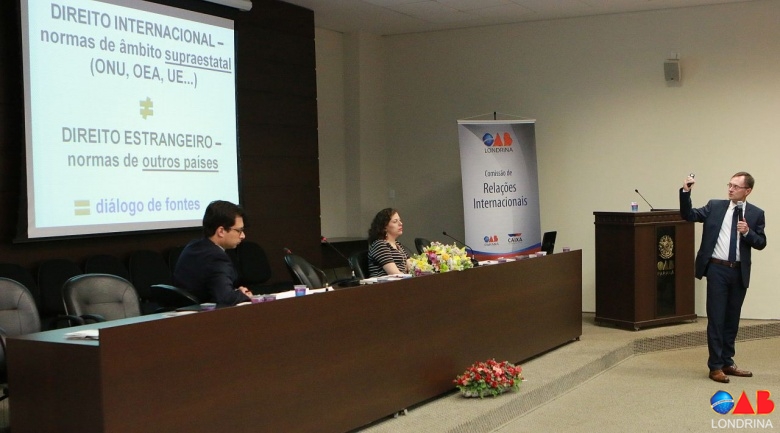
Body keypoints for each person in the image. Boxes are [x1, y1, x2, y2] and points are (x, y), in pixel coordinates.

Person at [679, 172, 766, 384]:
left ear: (748, 191)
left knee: (732, 320)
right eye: (730, 185)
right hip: (717, 269)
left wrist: (748, 233)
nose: (730, 189)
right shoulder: (715, 206)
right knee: (716, 319)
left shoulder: (756, 213)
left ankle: (727, 361)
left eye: (736, 186)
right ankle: (715, 366)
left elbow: (761, 243)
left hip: (739, 272)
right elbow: (688, 215)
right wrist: (686, 192)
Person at [174, 200, 254, 306]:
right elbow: (225, 299)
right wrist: (243, 295)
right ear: (221, 231)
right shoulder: (217, 258)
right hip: (205, 314)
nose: (243, 236)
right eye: (239, 230)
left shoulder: (193, 247)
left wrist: (235, 293)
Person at [367, 208, 413, 277]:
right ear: (384, 227)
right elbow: (394, 274)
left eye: (400, 220)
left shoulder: (398, 245)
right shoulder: (380, 245)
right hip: (387, 283)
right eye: (395, 221)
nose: (400, 224)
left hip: (401, 280)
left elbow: (411, 266)